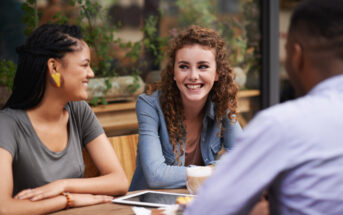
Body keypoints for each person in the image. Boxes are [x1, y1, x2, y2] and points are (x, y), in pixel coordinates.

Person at [184, 0, 343, 214]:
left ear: (296, 56)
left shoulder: (283, 124)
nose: (193, 76)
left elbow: (204, 210)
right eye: (184, 66)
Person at [0, 24, 129, 214]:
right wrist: (68, 200)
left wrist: (62, 185)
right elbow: (4, 207)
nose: (91, 73)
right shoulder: (7, 124)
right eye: (84, 65)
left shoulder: (79, 111)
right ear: (53, 67)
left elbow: (119, 181)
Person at [129, 25, 242, 191]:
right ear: (173, 73)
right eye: (183, 66)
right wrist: (215, 170)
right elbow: (156, 176)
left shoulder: (221, 105)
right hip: (150, 207)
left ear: (217, 73)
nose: (193, 76)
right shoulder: (149, 105)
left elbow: (247, 158)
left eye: (203, 66)